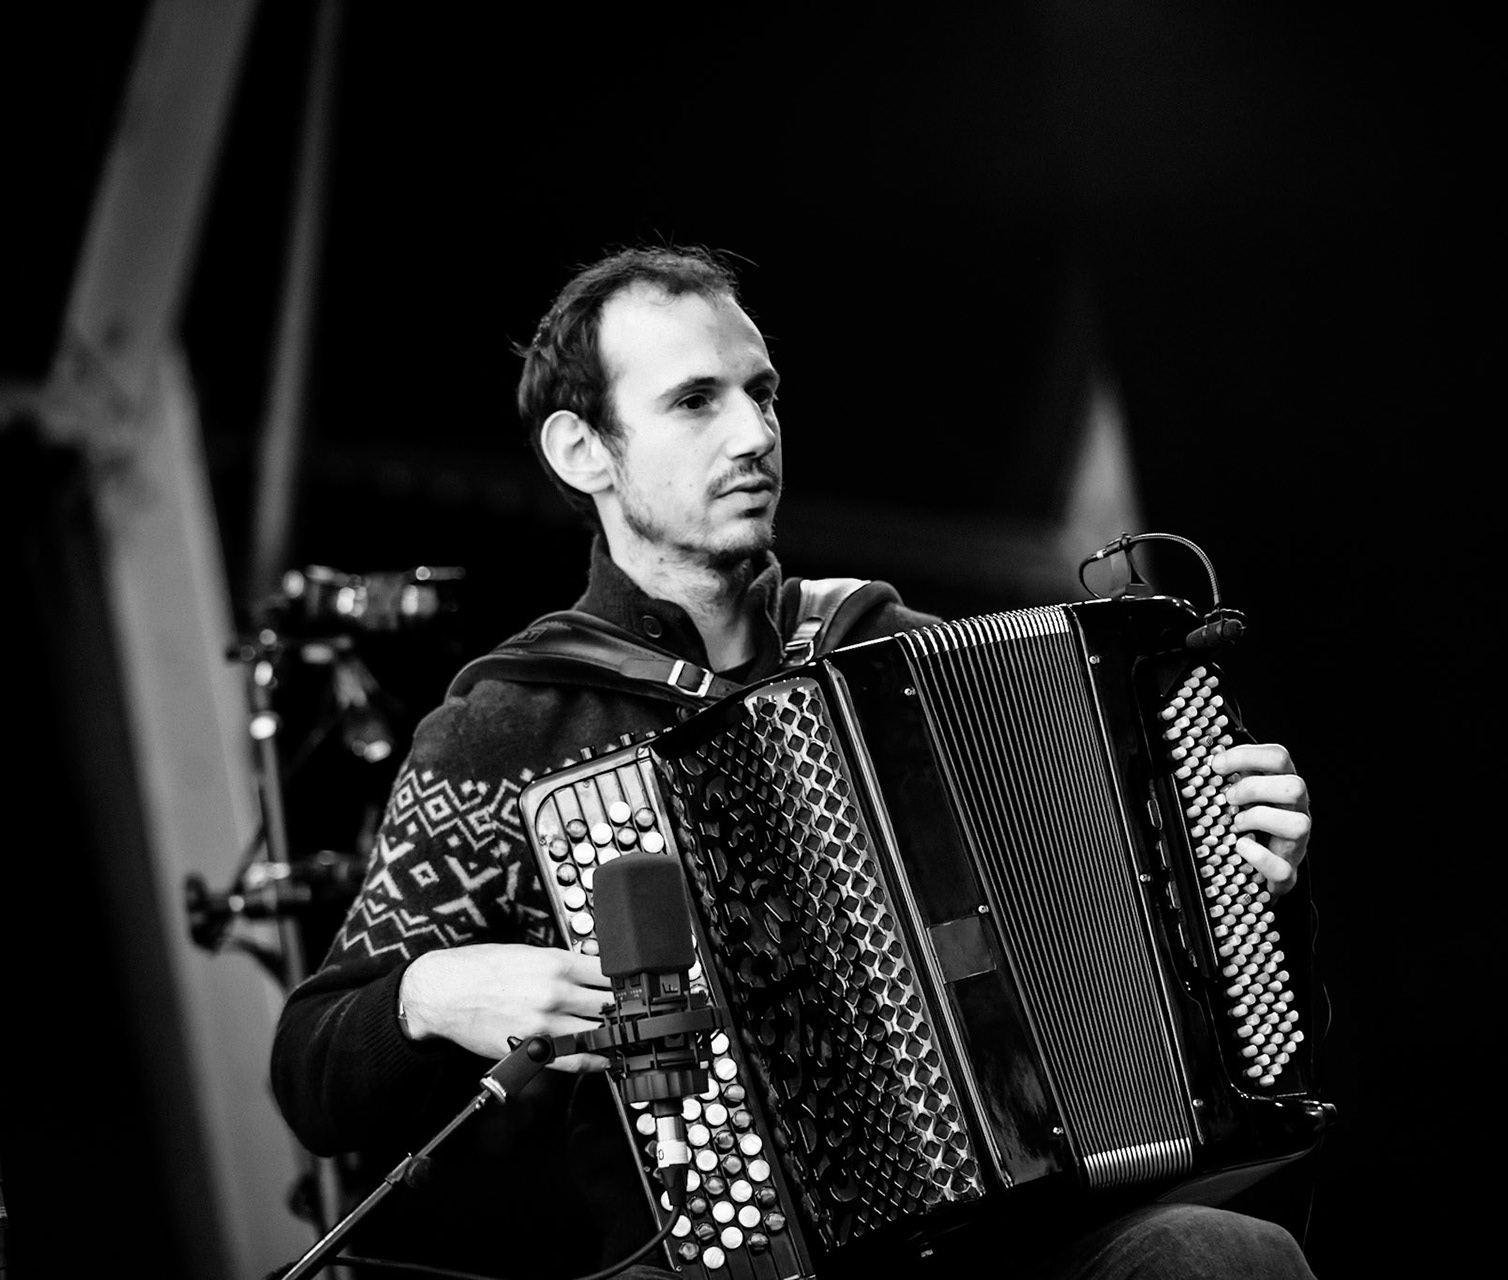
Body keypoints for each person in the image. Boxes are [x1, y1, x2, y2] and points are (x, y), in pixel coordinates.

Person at [269, 245, 1318, 1280]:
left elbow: (1089, 920)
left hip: (1002, 1230)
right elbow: (311, 1065)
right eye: (694, 401)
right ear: (584, 450)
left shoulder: (888, 651)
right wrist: (432, 989)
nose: (753, 432)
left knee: (1221, 1253)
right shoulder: (509, 726)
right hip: (702, 1260)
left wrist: (1217, 874)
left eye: (761, 392)